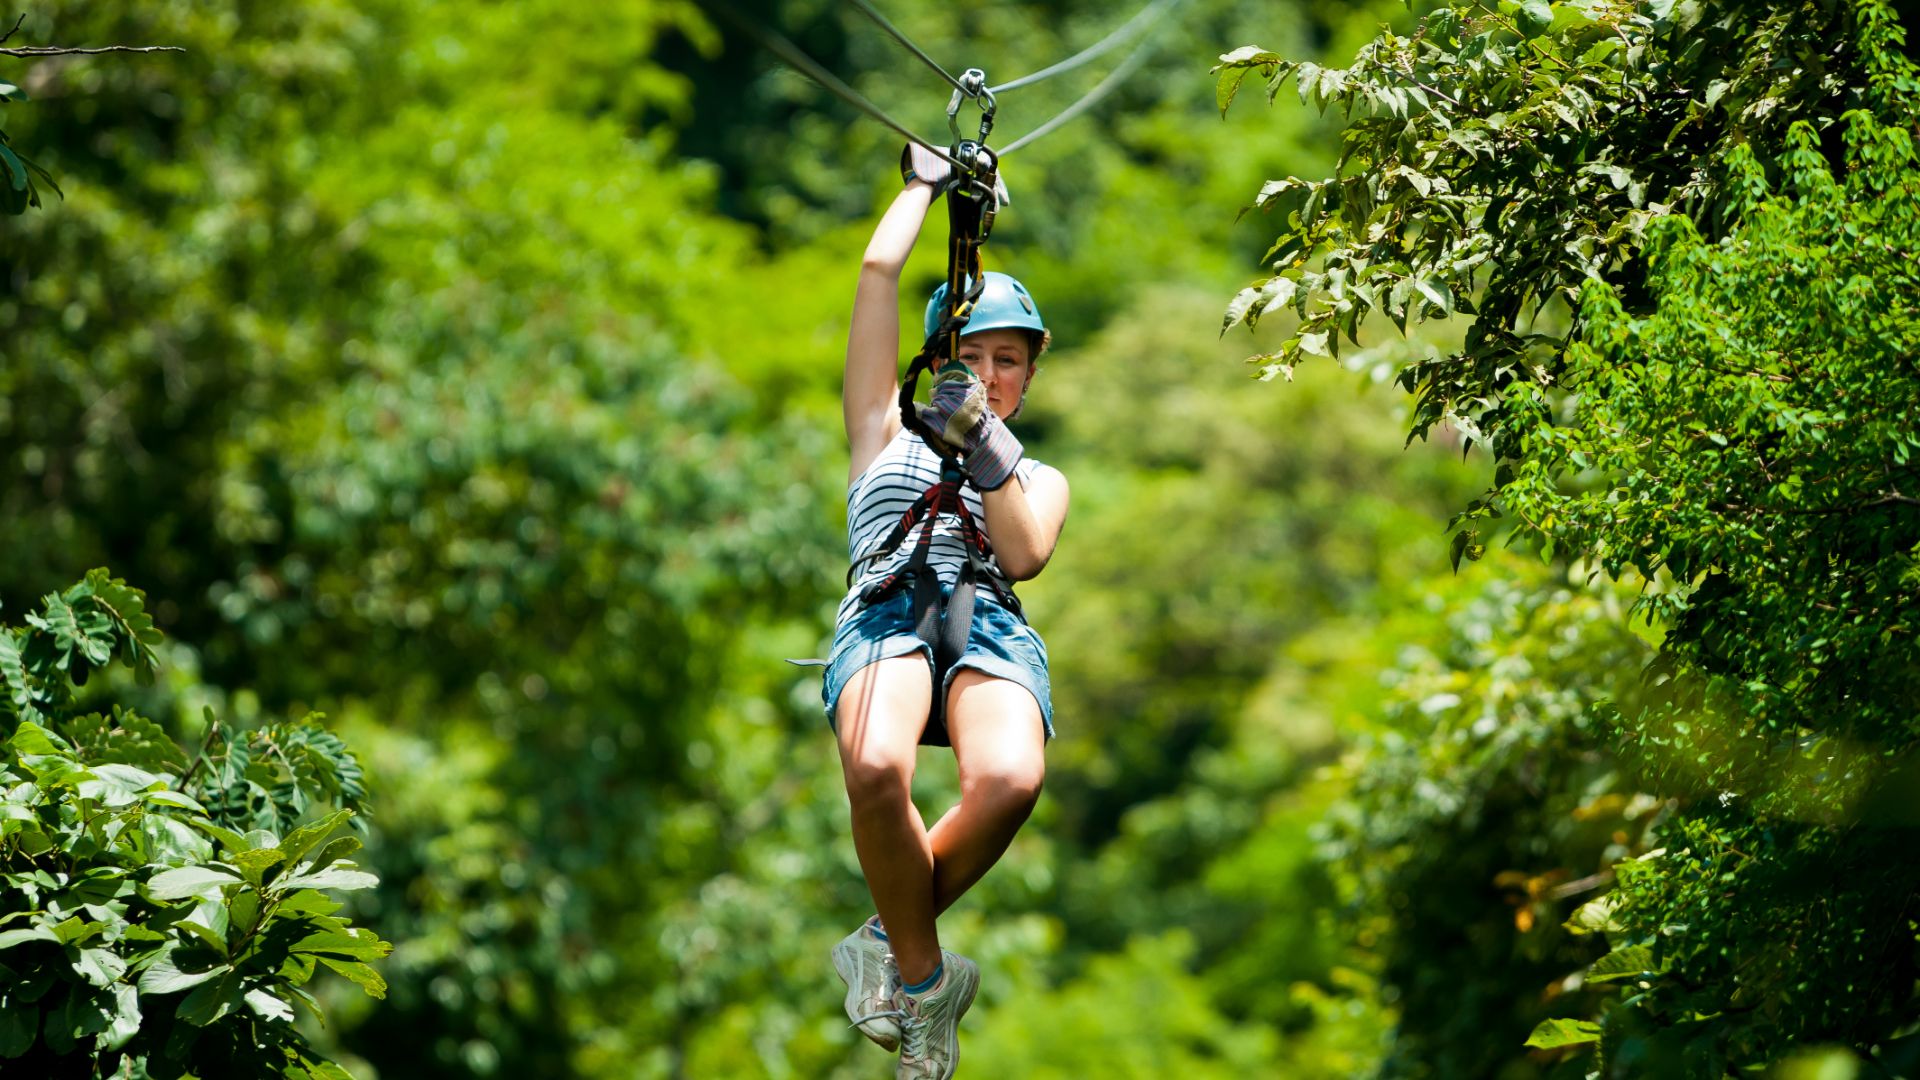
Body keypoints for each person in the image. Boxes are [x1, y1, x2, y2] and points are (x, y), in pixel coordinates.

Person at [821, 143, 1070, 1080]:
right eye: (971, 356)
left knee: (1009, 779)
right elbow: (879, 271)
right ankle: (925, 990)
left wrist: (985, 445)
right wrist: (925, 188)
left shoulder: (1040, 473)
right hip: (888, 610)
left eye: (1009, 361)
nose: (991, 373)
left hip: (988, 620)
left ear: (1030, 377)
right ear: (937, 359)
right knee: (879, 767)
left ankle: (882, 939)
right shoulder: (879, 428)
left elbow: (1026, 552)